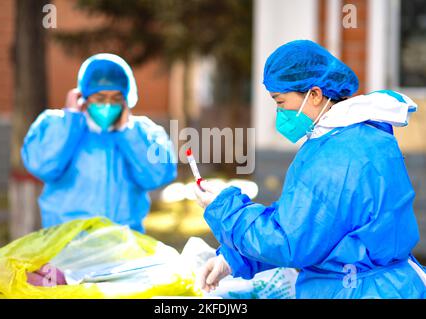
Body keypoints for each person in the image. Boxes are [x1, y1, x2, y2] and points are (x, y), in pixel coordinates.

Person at [194, 40, 426, 298]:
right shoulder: (367, 135)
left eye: (280, 102)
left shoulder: (335, 155)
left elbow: (290, 241)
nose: (279, 113)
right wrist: (234, 259)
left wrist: (224, 209)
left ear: (314, 95)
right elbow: (315, 229)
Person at [22, 53, 177, 233]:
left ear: (126, 100)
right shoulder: (57, 125)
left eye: (116, 98)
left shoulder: (143, 133)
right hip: (66, 244)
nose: (108, 105)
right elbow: (41, 166)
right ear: (84, 96)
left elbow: (157, 176)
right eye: (100, 98)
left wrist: (128, 132)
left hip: (124, 244)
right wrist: (71, 122)